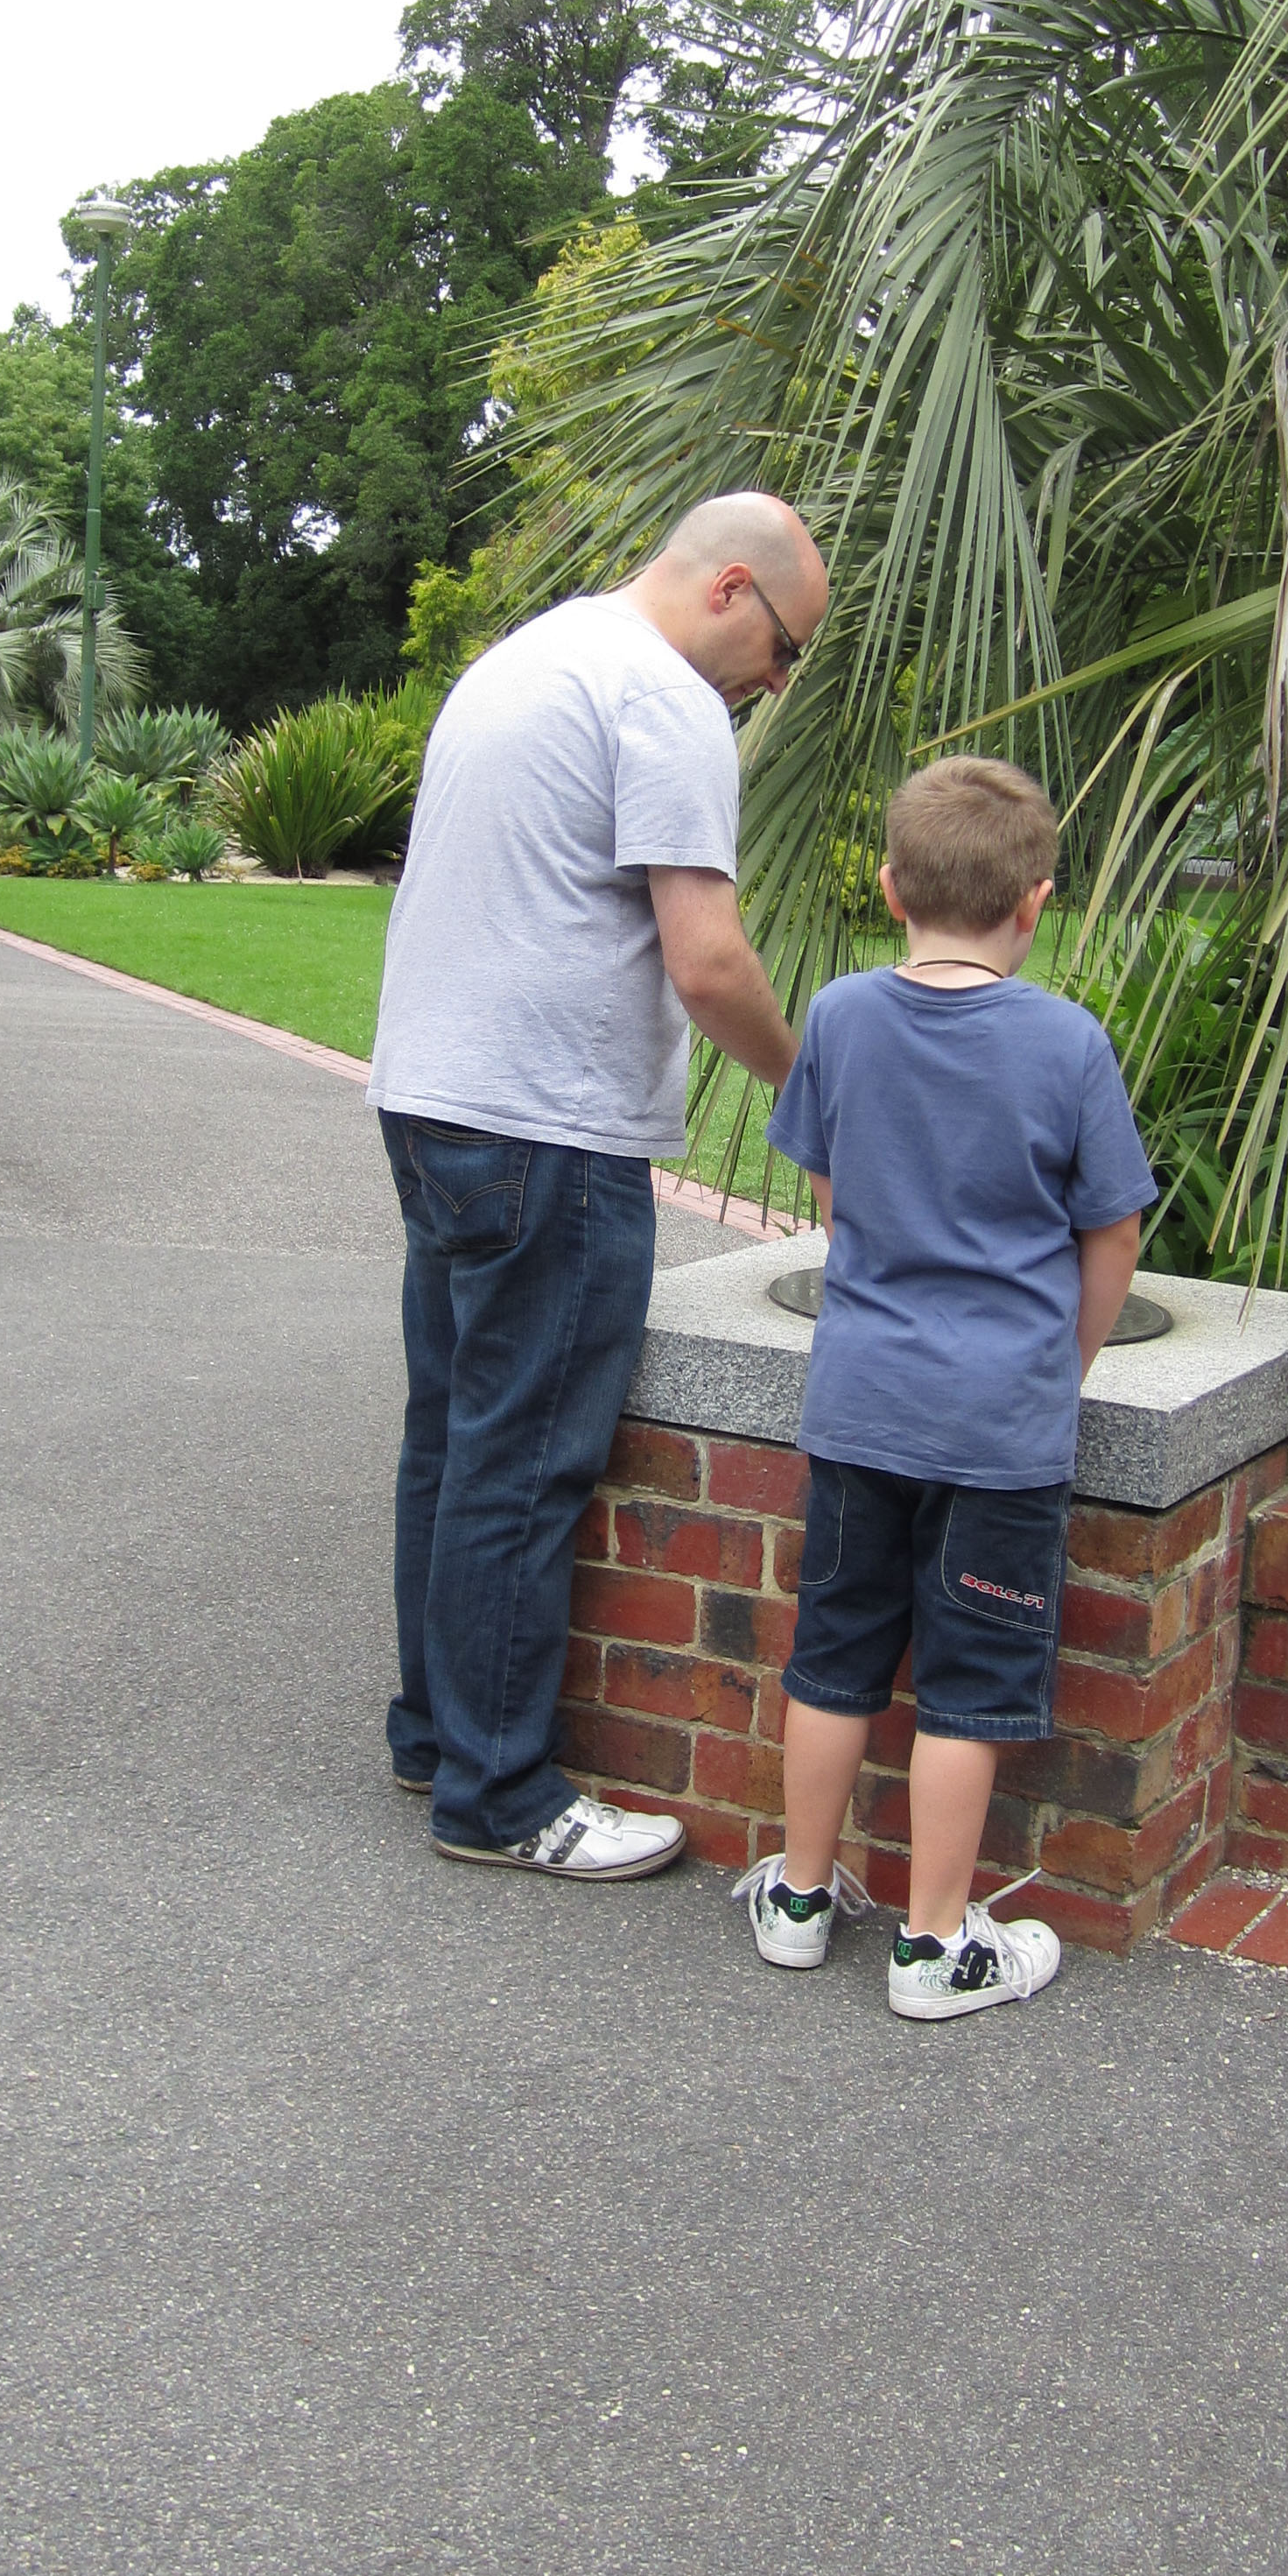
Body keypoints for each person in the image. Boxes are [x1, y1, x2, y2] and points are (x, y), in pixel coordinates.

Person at [368, 491, 828, 1876]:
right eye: (786, 645)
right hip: (546, 1128)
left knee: (451, 1437)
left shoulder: (527, 656)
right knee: (524, 1458)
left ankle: (435, 1735)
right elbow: (709, 962)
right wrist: (822, 1103)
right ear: (733, 587)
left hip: (432, 1098)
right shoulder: (668, 700)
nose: (777, 681)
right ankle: (500, 1798)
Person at [736, 754, 1158, 2016]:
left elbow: (833, 1196)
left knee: (834, 1658)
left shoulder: (843, 1017)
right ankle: (933, 1948)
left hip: (862, 1405)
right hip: (999, 1428)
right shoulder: (1067, 1041)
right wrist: (1057, 1369)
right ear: (1033, 903)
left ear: (887, 885)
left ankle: (800, 1903)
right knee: (967, 1685)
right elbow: (1114, 1236)